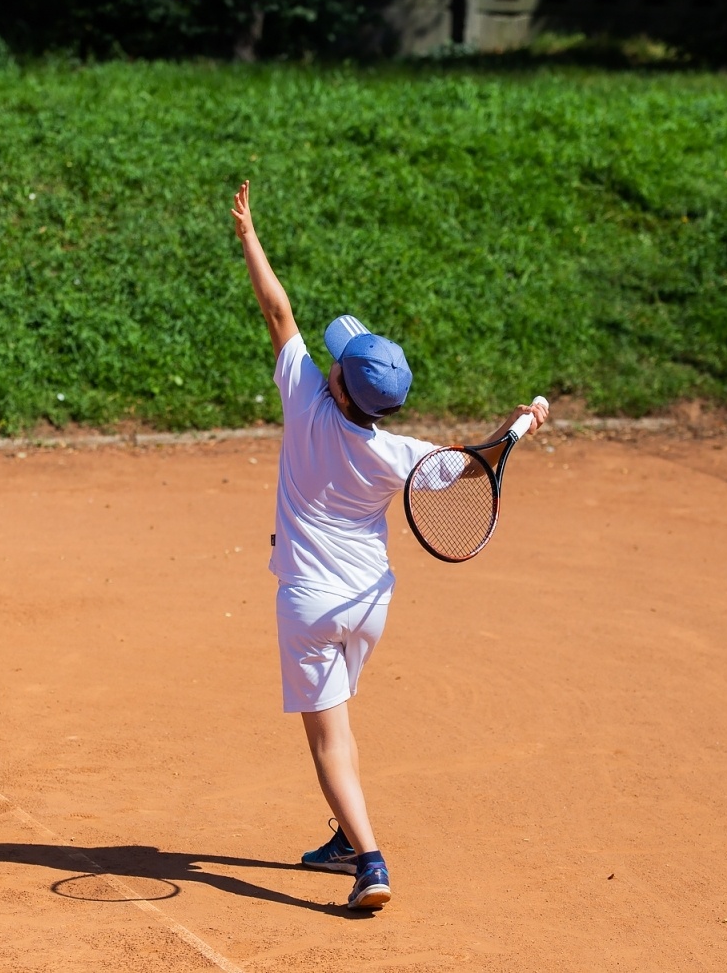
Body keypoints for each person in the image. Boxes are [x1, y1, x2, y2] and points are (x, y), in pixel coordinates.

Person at [230, 181, 548, 911]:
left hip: (308, 605)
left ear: (336, 384)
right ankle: (346, 836)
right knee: (341, 717)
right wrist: (523, 421)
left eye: (336, 361)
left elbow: (278, 312)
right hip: (370, 606)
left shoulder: (304, 395)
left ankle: (369, 860)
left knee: (329, 741)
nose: (330, 360)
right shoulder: (401, 452)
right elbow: (476, 460)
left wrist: (249, 235)